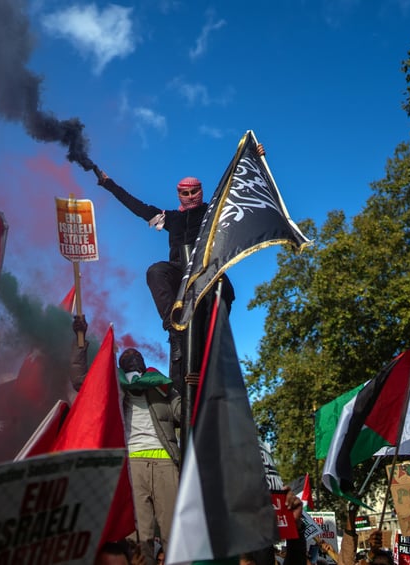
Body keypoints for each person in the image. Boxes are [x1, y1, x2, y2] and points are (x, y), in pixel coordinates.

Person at [94, 147, 267, 361]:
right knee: (156, 271)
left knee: (225, 290)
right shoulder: (171, 218)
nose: (190, 196)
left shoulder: (212, 212)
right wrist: (109, 184)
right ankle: (174, 331)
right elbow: (136, 206)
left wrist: (255, 159)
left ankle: (212, 342)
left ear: (201, 192)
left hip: (206, 268)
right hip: (180, 270)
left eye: (194, 192)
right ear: (179, 194)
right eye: (185, 193)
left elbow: (239, 191)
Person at [71, 316, 181, 565]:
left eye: (136, 356)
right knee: (137, 543)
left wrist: (190, 389)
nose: (132, 357)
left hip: (165, 464)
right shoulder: (115, 386)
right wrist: (80, 342)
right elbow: (81, 382)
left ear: (143, 364)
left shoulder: (162, 386)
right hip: (130, 467)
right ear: (122, 365)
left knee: (176, 536)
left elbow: (183, 414)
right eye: (127, 356)